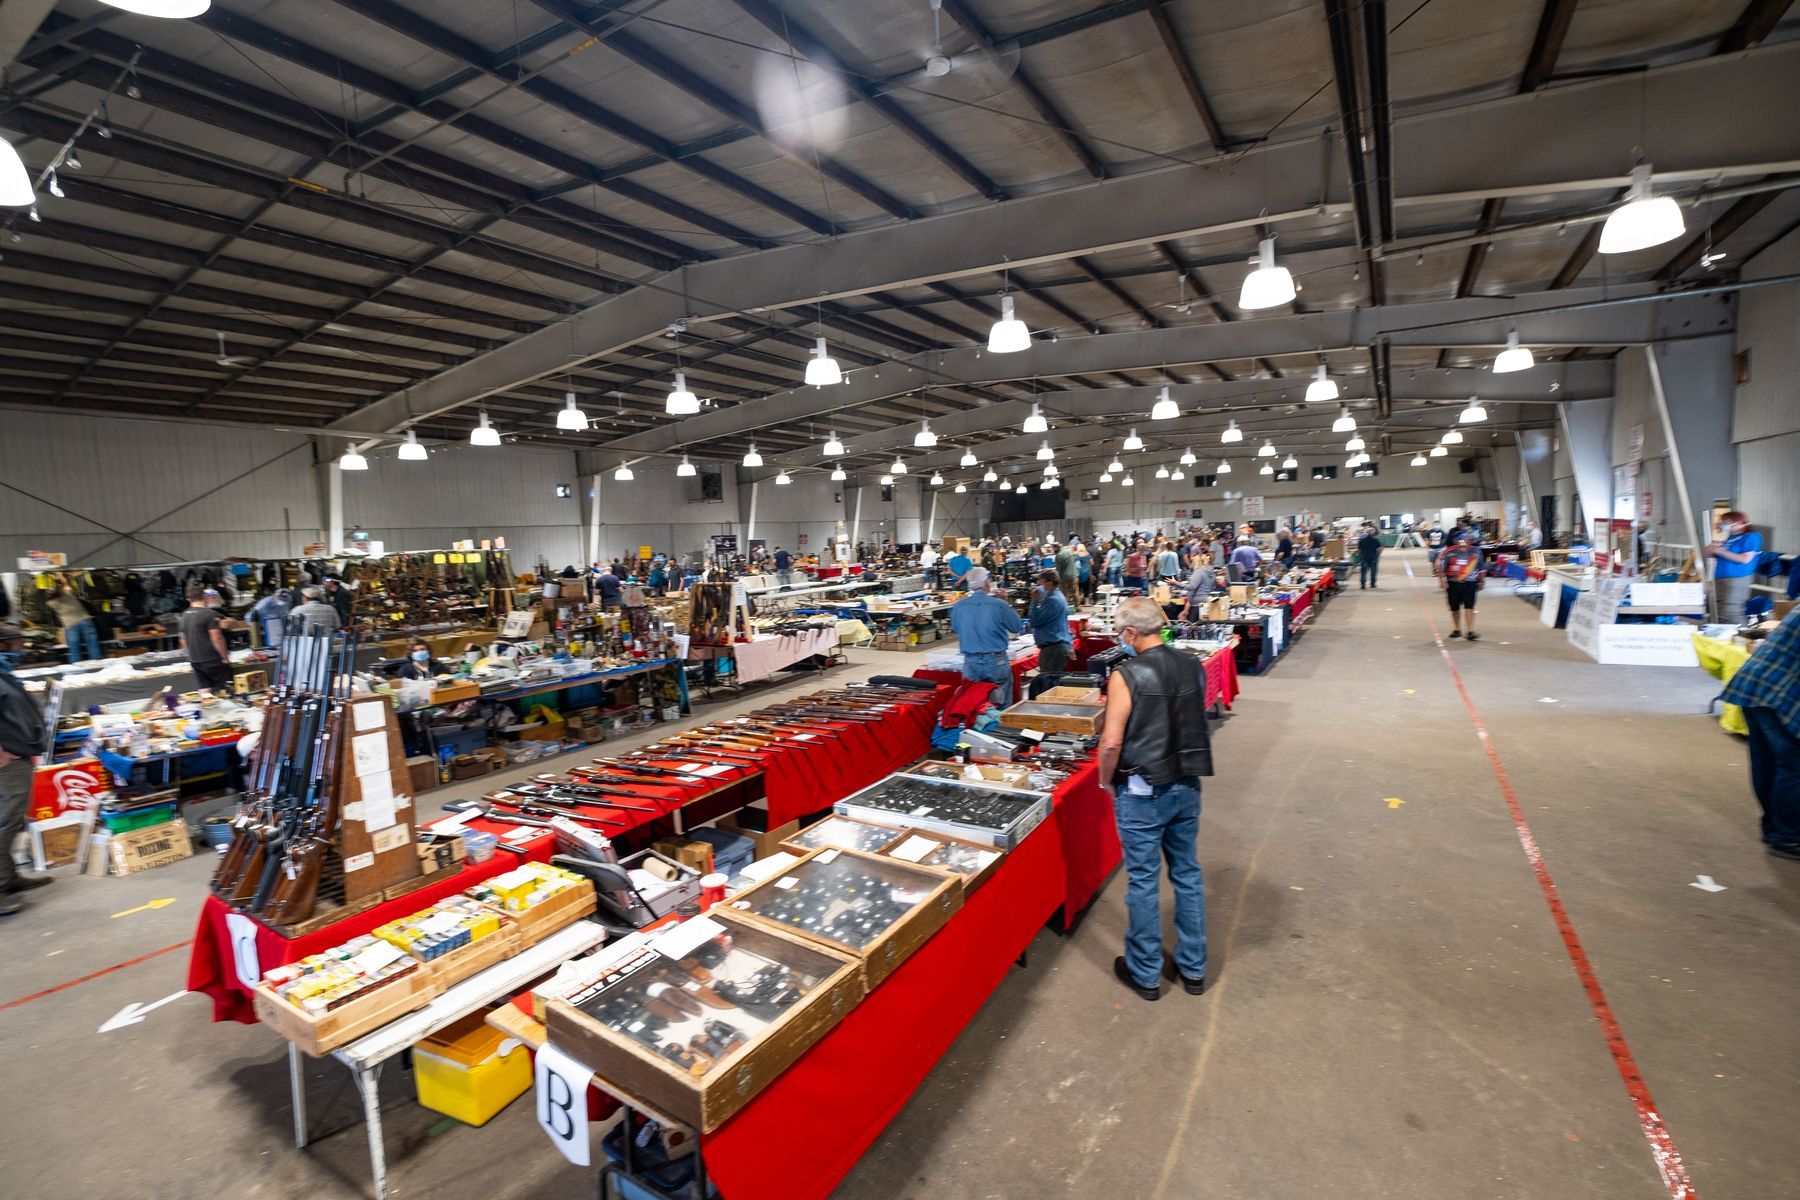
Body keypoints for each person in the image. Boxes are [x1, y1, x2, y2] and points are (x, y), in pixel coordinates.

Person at [1096, 598, 1212, 1002]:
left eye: (1118, 631)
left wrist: (1105, 781)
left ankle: (1145, 973)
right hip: (1186, 784)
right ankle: (1194, 968)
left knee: (1143, 882)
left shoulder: (1127, 674)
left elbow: (1111, 742)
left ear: (1130, 633)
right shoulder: (1192, 664)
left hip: (1144, 791)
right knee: (1187, 874)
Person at [1720, 609, 1800, 860]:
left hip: (1756, 685)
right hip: (1776, 692)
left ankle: (1775, 829)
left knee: (1768, 764)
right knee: (1793, 767)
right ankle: (1788, 837)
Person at [0, 623, 52, 914]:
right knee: (5, 824)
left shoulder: (5, 675)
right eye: (17, 643)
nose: (21, 648)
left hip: (16, 757)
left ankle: (9, 879)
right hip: (6, 762)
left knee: (11, 821)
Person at [949, 566, 1023, 707]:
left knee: (972, 702)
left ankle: (976, 728)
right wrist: (1006, 602)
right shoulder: (998, 605)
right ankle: (999, 727)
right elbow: (1016, 626)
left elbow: (957, 628)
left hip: (970, 661)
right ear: (987, 583)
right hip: (996, 660)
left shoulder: (959, 606)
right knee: (1000, 701)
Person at [1705, 510, 1762, 624]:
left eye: (1727, 521)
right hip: (1720, 579)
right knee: (1719, 611)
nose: (1723, 524)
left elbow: (1745, 559)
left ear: (1740, 522)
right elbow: (1710, 554)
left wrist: (1720, 551)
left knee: (1731, 611)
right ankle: (1722, 638)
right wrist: (1711, 549)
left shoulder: (1751, 537)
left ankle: (1743, 636)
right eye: (1723, 522)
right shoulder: (1730, 538)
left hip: (1737, 579)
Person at [1026, 570, 1074, 696]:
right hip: (1055, 646)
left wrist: (1034, 601)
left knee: (1049, 686)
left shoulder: (1052, 600)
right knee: (1052, 683)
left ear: (1049, 583)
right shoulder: (1056, 597)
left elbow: (1035, 621)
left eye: (1040, 581)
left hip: (1053, 648)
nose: (1038, 584)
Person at [180, 589, 235, 692]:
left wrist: (190, 656)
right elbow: (217, 638)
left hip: (195, 660)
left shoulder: (184, 615)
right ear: (204, 597)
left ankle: (206, 707)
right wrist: (224, 657)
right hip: (212, 659)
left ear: (188, 599)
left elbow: (183, 640)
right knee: (224, 690)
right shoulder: (210, 614)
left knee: (204, 689)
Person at [1436, 532, 1484, 641]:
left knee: (1469, 606)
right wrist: (1442, 581)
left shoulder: (1476, 551)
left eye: (1467, 539)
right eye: (1462, 539)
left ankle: (1470, 631)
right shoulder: (1448, 552)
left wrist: (1481, 581)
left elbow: (1481, 567)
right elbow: (1440, 568)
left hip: (1470, 583)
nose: (1465, 541)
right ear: (1456, 541)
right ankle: (1457, 629)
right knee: (1454, 607)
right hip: (1453, 584)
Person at [47, 583, 101, 663]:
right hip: (85, 620)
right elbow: (67, 585)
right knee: (92, 643)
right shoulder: (69, 594)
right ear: (60, 591)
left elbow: (54, 594)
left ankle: (76, 666)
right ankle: (97, 663)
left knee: (74, 646)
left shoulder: (51, 603)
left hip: (70, 625)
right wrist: (62, 577)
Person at [1356, 523, 1382, 590]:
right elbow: (1380, 549)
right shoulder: (1376, 540)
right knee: (1373, 572)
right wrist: (1377, 555)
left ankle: (1363, 585)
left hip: (1364, 558)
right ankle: (1372, 584)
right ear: (1373, 533)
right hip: (1373, 558)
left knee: (1363, 572)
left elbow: (1359, 549)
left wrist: (1361, 556)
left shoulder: (1362, 540)